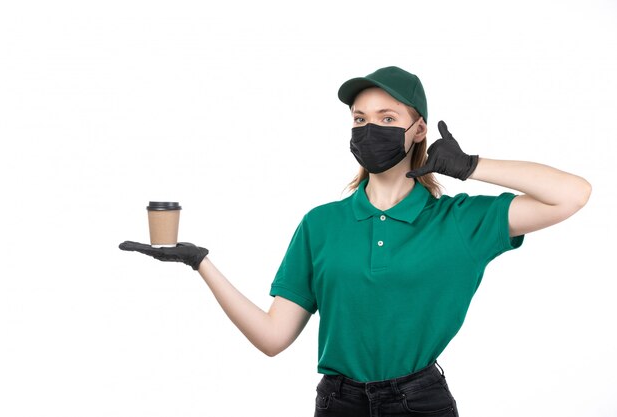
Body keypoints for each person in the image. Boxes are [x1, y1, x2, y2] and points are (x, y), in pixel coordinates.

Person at [119, 66, 592, 416]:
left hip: (419, 403)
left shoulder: (461, 221)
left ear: (418, 128)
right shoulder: (321, 224)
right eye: (360, 119)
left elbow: (572, 195)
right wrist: (202, 263)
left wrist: (471, 167)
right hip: (337, 403)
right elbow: (272, 337)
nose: (370, 129)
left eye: (388, 117)